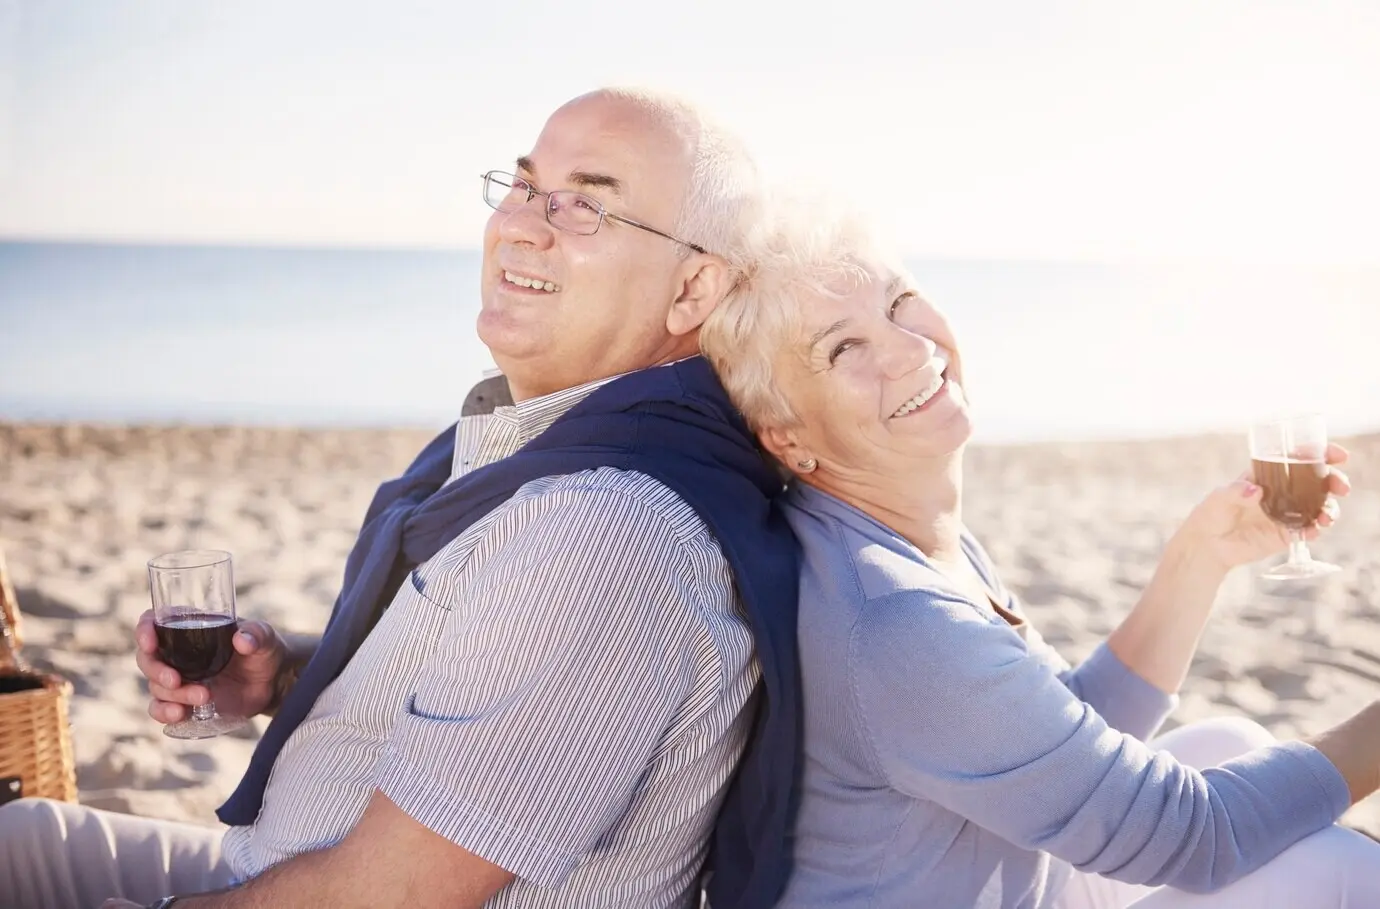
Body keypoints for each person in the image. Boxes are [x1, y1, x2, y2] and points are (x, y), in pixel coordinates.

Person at [0, 87, 803, 909]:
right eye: (526, 187)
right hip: (279, 861)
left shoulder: (609, 533)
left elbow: (389, 893)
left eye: (588, 206)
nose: (521, 224)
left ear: (693, 290)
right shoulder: (541, 452)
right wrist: (285, 678)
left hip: (336, 889)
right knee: (23, 838)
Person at [697, 193, 1380, 909]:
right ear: (788, 437)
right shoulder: (892, 617)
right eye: (842, 347)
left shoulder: (898, 531)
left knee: (1229, 742)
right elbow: (1196, 837)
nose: (910, 349)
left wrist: (1200, 555)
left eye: (900, 300)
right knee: (1323, 868)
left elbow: (1065, 725)